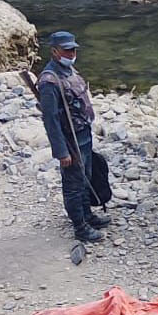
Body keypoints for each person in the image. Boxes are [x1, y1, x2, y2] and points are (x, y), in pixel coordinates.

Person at [38, 30, 109, 243]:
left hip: (83, 134)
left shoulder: (69, 71)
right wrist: (61, 151)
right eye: (67, 50)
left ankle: (87, 215)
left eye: (73, 49)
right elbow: (50, 120)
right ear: (54, 51)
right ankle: (80, 227)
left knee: (86, 177)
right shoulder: (49, 81)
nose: (71, 53)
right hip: (70, 140)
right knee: (73, 184)